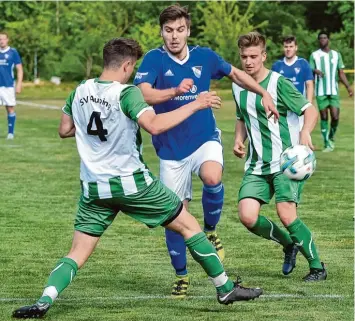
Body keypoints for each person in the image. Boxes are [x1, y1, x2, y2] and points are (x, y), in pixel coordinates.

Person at [12, 38, 263, 319]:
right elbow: (154, 125)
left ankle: (44, 300)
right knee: (190, 226)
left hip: (95, 189)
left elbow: (65, 129)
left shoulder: (79, 90)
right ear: (128, 65)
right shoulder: (127, 93)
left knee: (77, 252)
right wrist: (196, 104)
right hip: (133, 185)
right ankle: (225, 288)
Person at [133, 4, 278, 298]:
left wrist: (263, 92)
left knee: (213, 177)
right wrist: (174, 91)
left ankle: (211, 229)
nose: (175, 36)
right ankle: (181, 275)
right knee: (175, 216)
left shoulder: (204, 56)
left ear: (188, 30)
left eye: (180, 30)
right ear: (161, 32)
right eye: (169, 30)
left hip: (203, 138)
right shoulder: (154, 59)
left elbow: (236, 74)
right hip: (171, 150)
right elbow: (142, 93)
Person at [232, 32, 327, 282]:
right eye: (244, 57)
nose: (249, 61)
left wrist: (305, 131)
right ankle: (288, 245)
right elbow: (242, 117)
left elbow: (309, 110)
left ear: (264, 56)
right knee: (247, 216)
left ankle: (317, 267)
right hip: (256, 165)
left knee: (286, 214)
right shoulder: (237, 84)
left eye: (254, 56)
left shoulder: (278, 83)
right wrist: (237, 140)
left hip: (286, 162)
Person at [309, 31, 353, 152]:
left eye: (325, 37)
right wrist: (315, 71)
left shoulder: (336, 55)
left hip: (333, 91)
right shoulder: (314, 55)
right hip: (321, 91)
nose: (323, 40)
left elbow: (341, 72)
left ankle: (331, 137)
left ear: (328, 39)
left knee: (335, 116)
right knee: (324, 116)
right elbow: (309, 70)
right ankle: (326, 143)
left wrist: (349, 87)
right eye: (320, 38)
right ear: (318, 41)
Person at [271, 35, 314, 129]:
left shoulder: (303, 63)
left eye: (291, 46)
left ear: (296, 47)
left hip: (299, 107)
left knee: (301, 137)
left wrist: (309, 105)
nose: (288, 49)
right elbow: (272, 87)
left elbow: (309, 84)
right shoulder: (277, 66)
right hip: (282, 108)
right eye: (286, 47)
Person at [0, 31, 23, 139]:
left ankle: (10, 133)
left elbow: (19, 69)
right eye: (0, 39)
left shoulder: (13, 52)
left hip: (8, 85)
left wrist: (19, 84)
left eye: (3, 39)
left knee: (10, 108)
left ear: (7, 40)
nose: (1, 41)